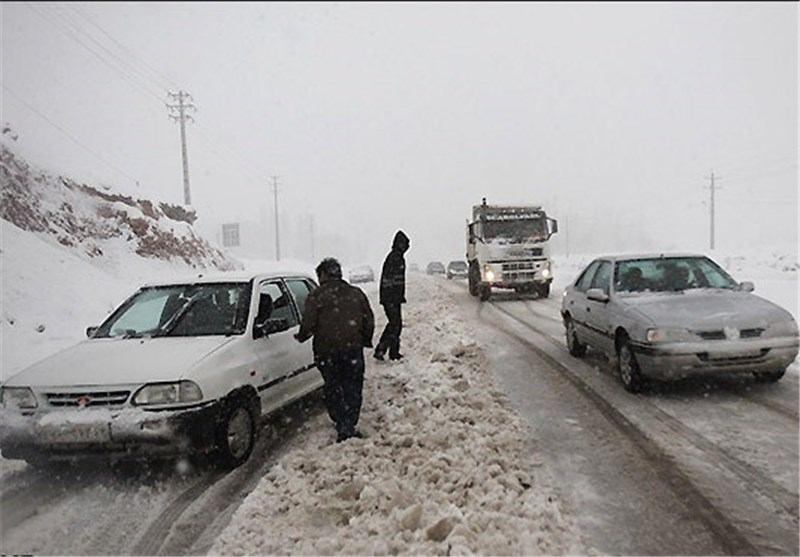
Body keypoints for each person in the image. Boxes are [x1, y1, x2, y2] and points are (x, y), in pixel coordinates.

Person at [295, 257, 375, 442]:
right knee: (353, 385)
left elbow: (308, 322)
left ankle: (340, 420)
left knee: (333, 385)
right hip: (352, 349)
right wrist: (365, 339)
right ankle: (349, 422)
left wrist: (302, 336)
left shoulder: (316, 296)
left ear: (323, 275)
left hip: (326, 350)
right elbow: (368, 319)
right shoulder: (356, 293)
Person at [374, 230, 410, 361]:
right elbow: (392, 280)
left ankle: (386, 350)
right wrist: (394, 296)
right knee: (395, 324)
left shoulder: (396, 256)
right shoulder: (395, 257)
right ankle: (387, 351)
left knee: (394, 324)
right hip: (391, 298)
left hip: (392, 298)